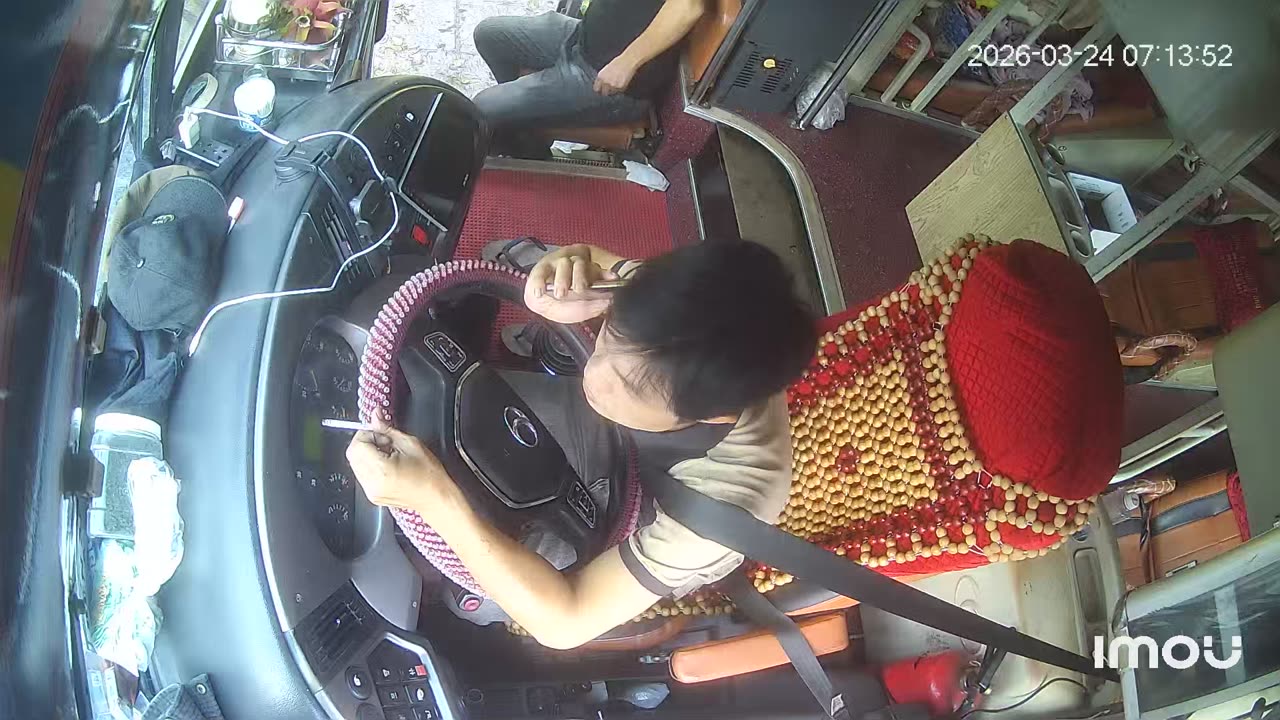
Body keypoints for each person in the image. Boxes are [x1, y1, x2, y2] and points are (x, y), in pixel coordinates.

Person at [347, 241, 817, 649]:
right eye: (610, 338)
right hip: (634, 433)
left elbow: (565, 623)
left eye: (629, 386)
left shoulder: (722, 511)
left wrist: (434, 499)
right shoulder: (685, 305)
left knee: (482, 593)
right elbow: (598, 263)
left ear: (710, 417)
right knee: (508, 255)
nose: (592, 374)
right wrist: (565, 274)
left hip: (657, 505)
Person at [470, 0, 706, 149]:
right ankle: (519, 128)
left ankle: (520, 143)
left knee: (481, 108)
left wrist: (627, 62)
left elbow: (688, 7)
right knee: (489, 34)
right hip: (581, 37)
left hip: (612, 80)